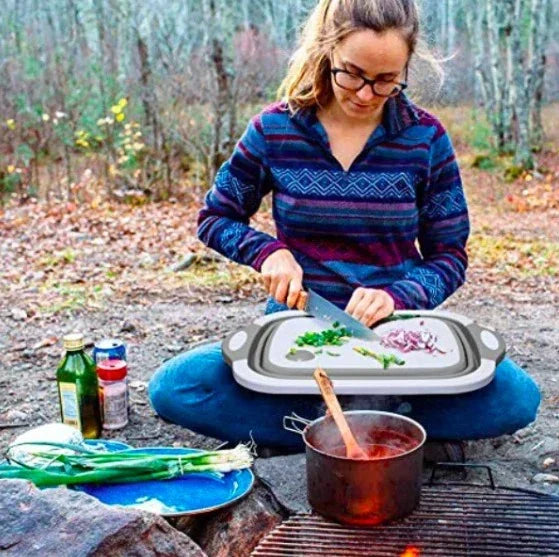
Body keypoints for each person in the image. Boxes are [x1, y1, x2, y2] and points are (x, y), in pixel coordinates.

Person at [148, 0, 540, 453]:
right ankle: (383, 427)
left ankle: (324, 425)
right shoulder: (275, 129)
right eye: (351, 73)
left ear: (405, 68)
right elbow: (215, 217)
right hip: (302, 325)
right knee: (176, 388)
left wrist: (399, 296)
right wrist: (267, 252)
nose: (366, 94)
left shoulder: (426, 138)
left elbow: (450, 256)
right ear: (326, 52)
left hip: (395, 331)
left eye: (386, 80)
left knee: (517, 398)